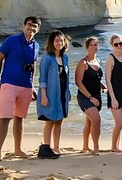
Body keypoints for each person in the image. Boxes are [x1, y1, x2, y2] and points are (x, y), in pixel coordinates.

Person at [0, 16, 41, 161]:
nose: (31, 28)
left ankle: (18, 150)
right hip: (8, 83)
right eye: (29, 25)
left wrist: (32, 86)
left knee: (19, 118)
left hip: (26, 86)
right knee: (5, 117)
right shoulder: (11, 41)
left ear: (38, 29)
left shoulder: (36, 45)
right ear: (23, 26)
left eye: (35, 26)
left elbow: (33, 66)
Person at [36, 30, 70, 159]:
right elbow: (42, 78)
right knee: (49, 121)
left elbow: (66, 78)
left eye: (61, 40)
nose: (59, 43)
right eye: (56, 41)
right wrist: (44, 96)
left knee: (59, 121)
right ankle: (46, 147)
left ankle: (56, 147)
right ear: (52, 42)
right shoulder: (46, 58)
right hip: (50, 94)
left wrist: (69, 93)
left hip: (62, 93)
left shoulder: (65, 57)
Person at [75, 36, 105, 155]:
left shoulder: (98, 61)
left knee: (89, 122)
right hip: (85, 96)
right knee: (96, 120)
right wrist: (90, 98)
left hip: (97, 95)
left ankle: (85, 146)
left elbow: (95, 78)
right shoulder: (83, 62)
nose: (93, 47)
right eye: (91, 45)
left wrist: (102, 85)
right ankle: (96, 148)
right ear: (87, 47)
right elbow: (78, 82)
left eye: (95, 44)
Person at [105, 34, 122, 152]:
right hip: (114, 94)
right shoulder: (110, 58)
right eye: (116, 44)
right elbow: (108, 80)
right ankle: (113, 147)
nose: (119, 46)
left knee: (119, 123)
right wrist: (113, 98)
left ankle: (116, 145)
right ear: (112, 45)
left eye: (121, 43)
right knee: (119, 123)